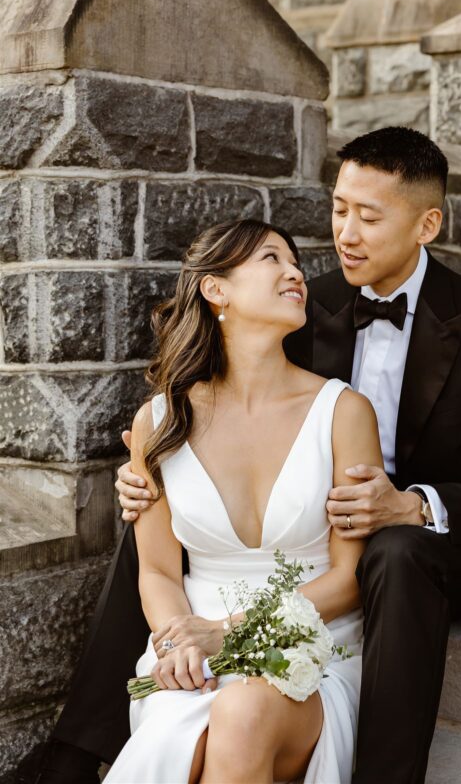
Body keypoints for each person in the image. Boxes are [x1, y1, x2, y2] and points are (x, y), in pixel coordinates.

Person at [39, 126, 461, 784]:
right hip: (310, 526)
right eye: (338, 209)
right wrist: (150, 466)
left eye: (368, 216)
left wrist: (411, 505)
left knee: (394, 551)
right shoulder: (304, 302)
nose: (345, 233)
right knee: (152, 518)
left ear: (426, 224)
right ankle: (76, 752)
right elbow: (236, 404)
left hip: (424, 549)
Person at [97, 218, 382, 782]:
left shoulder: (343, 412)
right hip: (190, 655)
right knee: (200, 727)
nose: (295, 272)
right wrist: (177, 641)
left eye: (295, 262)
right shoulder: (160, 421)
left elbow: (349, 578)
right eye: (272, 259)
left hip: (314, 649)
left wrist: (227, 631)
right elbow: (157, 570)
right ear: (215, 289)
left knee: (245, 709)